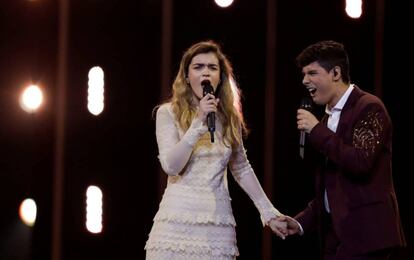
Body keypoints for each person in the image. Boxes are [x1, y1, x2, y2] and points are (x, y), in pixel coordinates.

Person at [144, 40, 287, 259]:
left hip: (216, 224)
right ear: (186, 75)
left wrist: (268, 212)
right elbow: (171, 166)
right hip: (176, 222)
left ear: (220, 77)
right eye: (198, 67)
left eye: (212, 67)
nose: (206, 73)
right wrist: (197, 124)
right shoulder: (168, 113)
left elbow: (241, 167)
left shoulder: (229, 117)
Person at [277, 40, 406, 259]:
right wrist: (300, 222)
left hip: (368, 238)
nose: (304, 80)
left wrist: (317, 130)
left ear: (335, 73)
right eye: (304, 74)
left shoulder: (369, 107)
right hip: (337, 238)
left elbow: (360, 162)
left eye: (312, 73)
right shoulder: (327, 119)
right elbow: (332, 187)